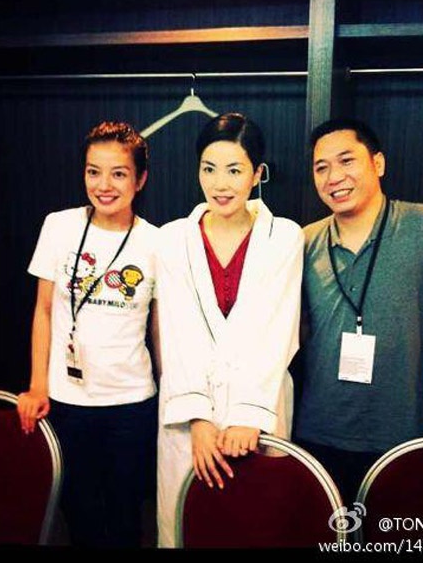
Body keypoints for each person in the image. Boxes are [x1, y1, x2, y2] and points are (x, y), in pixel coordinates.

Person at [295, 117, 423, 507]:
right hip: (316, 436)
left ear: (377, 163)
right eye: (321, 167)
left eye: (347, 160)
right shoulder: (304, 240)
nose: (334, 177)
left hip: (403, 437)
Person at [155, 112, 304, 548]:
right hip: (189, 418)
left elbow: (278, 330)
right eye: (209, 169)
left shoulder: (284, 236)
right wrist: (199, 419)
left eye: (235, 170)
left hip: (258, 412)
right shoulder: (172, 239)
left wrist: (247, 416)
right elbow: (177, 334)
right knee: (187, 524)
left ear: (257, 174)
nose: (220, 184)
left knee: (254, 525)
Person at [17, 121, 160, 548]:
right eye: (93, 171)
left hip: (132, 403)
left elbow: (159, 329)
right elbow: (43, 310)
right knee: (78, 516)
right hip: (68, 401)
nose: (103, 185)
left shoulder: (157, 242)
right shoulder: (58, 226)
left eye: (118, 173)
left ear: (140, 179)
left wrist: (171, 393)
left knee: (126, 516)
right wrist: (38, 385)